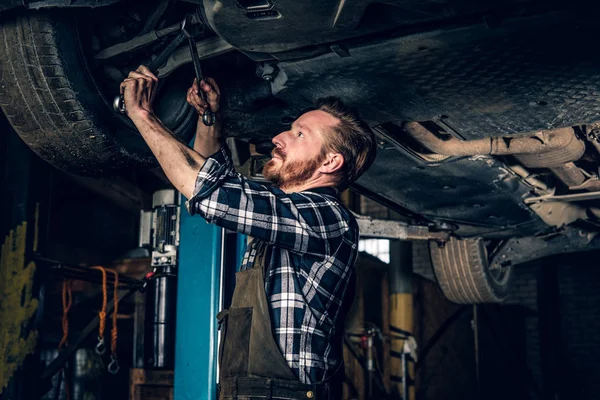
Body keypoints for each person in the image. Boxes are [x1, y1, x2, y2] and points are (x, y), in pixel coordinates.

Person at [120, 66, 377, 399]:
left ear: (330, 162)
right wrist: (208, 120)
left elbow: (210, 193)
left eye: (299, 134)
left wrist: (142, 115)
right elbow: (223, 189)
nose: (278, 138)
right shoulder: (285, 215)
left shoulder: (327, 218)